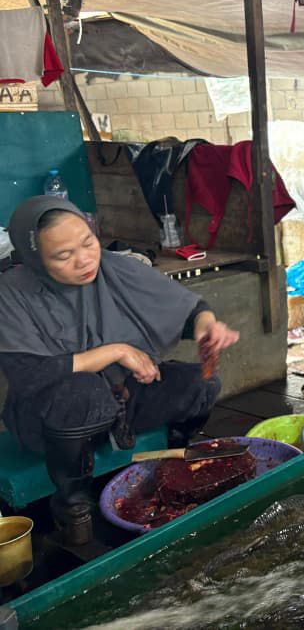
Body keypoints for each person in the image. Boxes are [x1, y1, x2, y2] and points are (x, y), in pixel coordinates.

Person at [0, 197, 239, 545]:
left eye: (88, 243)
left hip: (120, 400)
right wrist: (115, 351)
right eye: (64, 256)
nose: (84, 260)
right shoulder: (11, 293)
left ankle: (171, 471)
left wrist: (206, 326)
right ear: (35, 257)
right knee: (85, 392)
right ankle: (72, 506)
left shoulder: (115, 268)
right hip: (50, 416)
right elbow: (30, 375)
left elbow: (190, 309)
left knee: (198, 386)